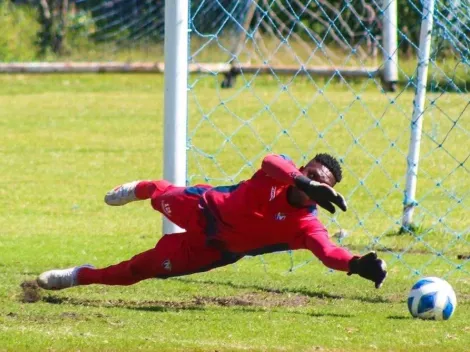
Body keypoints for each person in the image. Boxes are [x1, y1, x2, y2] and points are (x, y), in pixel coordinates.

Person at [37, 153, 387, 291]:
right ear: (304, 170)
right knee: (160, 195)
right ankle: (141, 188)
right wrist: (303, 181)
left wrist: (355, 265)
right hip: (200, 206)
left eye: (320, 184)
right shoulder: (281, 174)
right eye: (311, 174)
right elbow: (271, 161)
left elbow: (327, 253)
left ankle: (80, 276)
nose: (312, 182)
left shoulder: (307, 226)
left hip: (212, 249)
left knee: (138, 270)